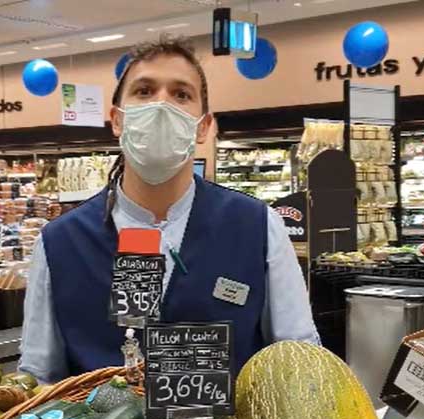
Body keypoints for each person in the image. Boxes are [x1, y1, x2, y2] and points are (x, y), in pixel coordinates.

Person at [19, 35, 318, 383]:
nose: (162, 104)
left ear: (203, 127)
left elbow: (300, 357)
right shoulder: (59, 243)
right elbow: (39, 377)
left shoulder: (257, 225)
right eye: (144, 91)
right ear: (118, 120)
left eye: (181, 94)